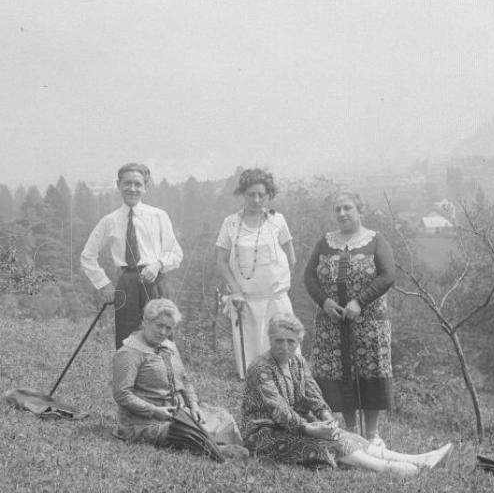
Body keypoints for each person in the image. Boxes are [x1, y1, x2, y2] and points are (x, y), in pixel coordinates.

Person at [240, 313, 452, 475]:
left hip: (296, 427)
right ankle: (393, 469)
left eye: (291, 342)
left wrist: (326, 418)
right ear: (270, 339)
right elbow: (278, 409)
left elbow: (312, 393)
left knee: (345, 435)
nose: (285, 347)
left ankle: (419, 459)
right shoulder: (261, 368)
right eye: (279, 341)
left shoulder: (298, 362)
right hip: (264, 435)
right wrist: (309, 429)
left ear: (298, 343)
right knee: (325, 443)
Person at [304, 189, 395, 447]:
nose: (342, 214)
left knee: (370, 371)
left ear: (360, 210)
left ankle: (372, 434)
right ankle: (351, 429)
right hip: (331, 323)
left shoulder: (376, 241)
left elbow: (388, 275)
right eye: (338, 209)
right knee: (339, 373)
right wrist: (325, 301)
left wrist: (359, 301)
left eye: (348, 208)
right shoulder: (325, 242)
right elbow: (309, 276)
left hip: (369, 323)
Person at [112, 299, 247, 459]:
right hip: (143, 422)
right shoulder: (129, 352)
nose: (163, 332)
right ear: (145, 322)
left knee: (223, 417)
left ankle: (213, 443)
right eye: (159, 325)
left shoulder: (169, 346)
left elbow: (185, 379)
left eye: (168, 328)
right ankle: (215, 448)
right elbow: (122, 394)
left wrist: (194, 406)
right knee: (185, 431)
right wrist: (153, 410)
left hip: (177, 413)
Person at [81, 163, 183, 349]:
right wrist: (104, 284)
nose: (132, 189)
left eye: (138, 184)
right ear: (118, 184)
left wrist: (158, 264)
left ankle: (163, 376)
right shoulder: (109, 221)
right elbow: (87, 256)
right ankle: (129, 378)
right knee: (127, 341)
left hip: (156, 284)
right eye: (127, 183)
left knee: (161, 337)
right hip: (126, 285)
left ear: (146, 187)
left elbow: (175, 253)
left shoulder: (159, 216)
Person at [215, 168, 297, 379]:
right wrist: (236, 291)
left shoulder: (277, 220)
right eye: (251, 194)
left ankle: (290, 400)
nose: (257, 199)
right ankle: (257, 403)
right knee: (253, 363)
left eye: (262, 194)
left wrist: (278, 286)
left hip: (276, 301)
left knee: (285, 355)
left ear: (268, 195)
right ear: (243, 194)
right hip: (246, 302)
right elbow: (222, 262)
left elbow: (291, 258)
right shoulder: (230, 223)